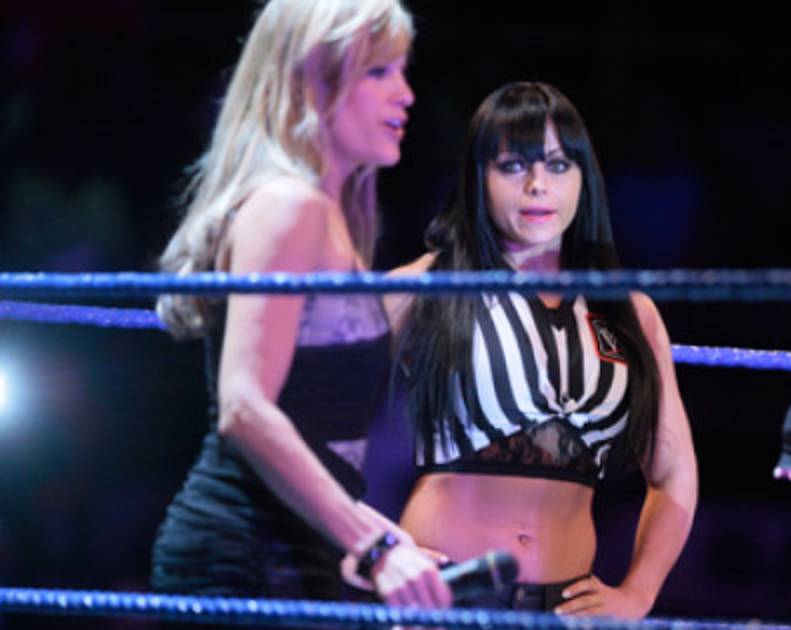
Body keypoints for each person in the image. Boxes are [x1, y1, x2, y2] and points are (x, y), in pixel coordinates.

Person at [150, 0, 450, 608]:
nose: (406, 94)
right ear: (313, 81)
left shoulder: (331, 216)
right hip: (246, 553)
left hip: (296, 546)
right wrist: (373, 546)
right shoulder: (288, 206)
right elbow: (243, 407)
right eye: (378, 72)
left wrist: (386, 537)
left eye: (401, 70)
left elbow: (310, 430)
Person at [384, 81, 699, 617]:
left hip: (565, 610)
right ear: (479, 178)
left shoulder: (630, 313)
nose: (537, 186)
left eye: (557, 165)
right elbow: (310, 408)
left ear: (583, 177)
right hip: (443, 602)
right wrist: (374, 547)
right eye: (513, 166)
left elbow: (674, 475)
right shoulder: (427, 286)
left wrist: (638, 594)